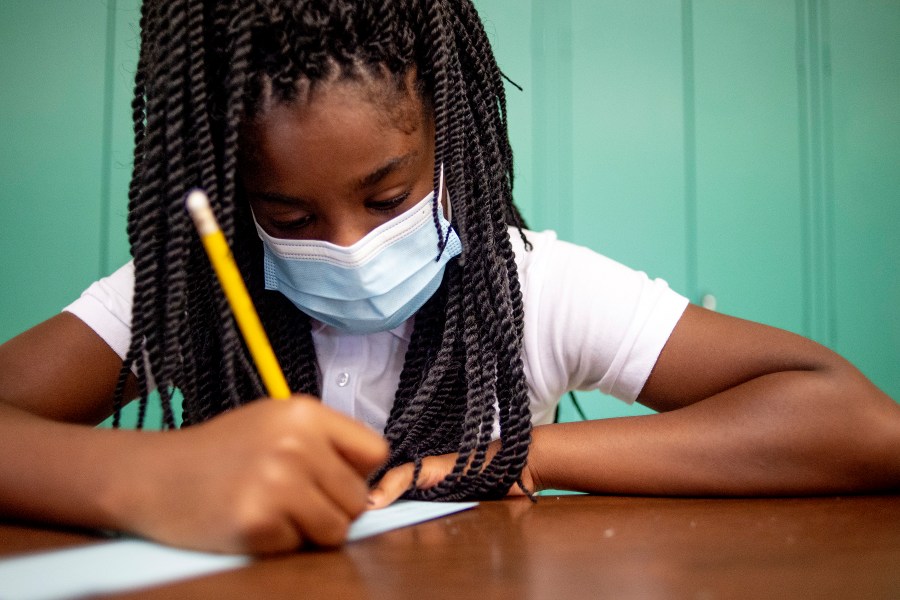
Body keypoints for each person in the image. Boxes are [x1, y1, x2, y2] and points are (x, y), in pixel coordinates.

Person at [0, 0, 897, 555]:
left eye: (389, 197)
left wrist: (516, 455)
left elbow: (857, 425)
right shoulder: (190, 295)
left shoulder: (533, 288)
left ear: (451, 144)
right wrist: (140, 477)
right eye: (290, 218)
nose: (349, 247)